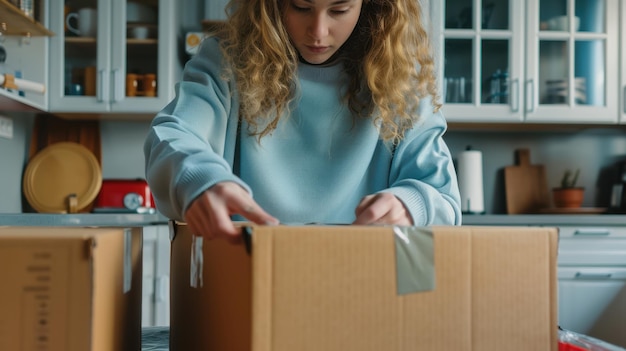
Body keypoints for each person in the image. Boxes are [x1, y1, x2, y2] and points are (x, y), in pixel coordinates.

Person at [144, 0, 462, 243]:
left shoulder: (400, 73)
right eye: (301, 7)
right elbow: (174, 136)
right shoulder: (225, 59)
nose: (318, 32)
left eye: (339, 9)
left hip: (363, 284)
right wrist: (199, 179)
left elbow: (443, 199)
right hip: (245, 274)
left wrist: (412, 205)